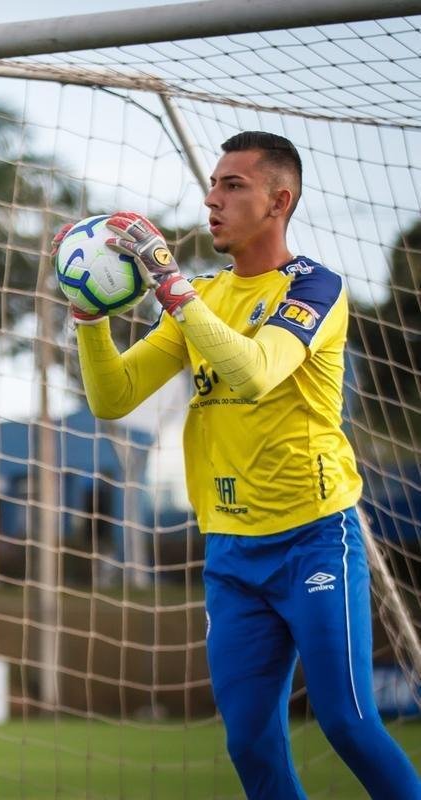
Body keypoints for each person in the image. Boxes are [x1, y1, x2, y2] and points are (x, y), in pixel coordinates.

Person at [58, 131, 421, 799]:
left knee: (345, 721)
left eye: (232, 185)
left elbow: (254, 373)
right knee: (248, 739)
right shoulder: (202, 296)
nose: (211, 198)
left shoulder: (314, 287)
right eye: (213, 184)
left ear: (278, 200)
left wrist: (169, 287)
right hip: (230, 552)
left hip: (314, 538)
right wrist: (88, 319)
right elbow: (112, 398)